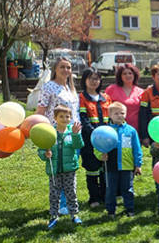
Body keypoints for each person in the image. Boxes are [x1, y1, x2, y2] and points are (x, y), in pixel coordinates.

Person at [39, 105, 83, 230]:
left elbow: (79, 145)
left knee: (71, 192)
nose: (64, 119)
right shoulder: (49, 132)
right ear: (55, 118)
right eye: (61, 116)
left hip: (69, 169)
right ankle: (53, 215)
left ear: (71, 118)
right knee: (54, 194)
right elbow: (41, 149)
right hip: (54, 171)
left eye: (67, 116)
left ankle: (74, 214)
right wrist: (45, 154)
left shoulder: (72, 131)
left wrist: (75, 135)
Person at [98, 102, 143, 218]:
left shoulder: (131, 131)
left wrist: (138, 164)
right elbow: (97, 145)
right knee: (110, 189)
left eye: (122, 113)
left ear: (126, 114)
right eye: (116, 113)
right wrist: (100, 155)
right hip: (110, 165)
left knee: (127, 189)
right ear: (110, 115)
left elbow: (137, 148)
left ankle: (130, 209)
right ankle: (110, 211)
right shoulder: (105, 130)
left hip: (126, 165)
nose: (119, 115)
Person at [78, 67, 110, 208]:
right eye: (90, 78)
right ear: (84, 80)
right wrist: (95, 135)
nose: (94, 81)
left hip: (107, 141)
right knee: (92, 170)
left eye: (96, 78)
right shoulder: (81, 98)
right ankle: (94, 198)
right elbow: (83, 119)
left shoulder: (106, 98)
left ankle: (105, 196)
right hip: (90, 140)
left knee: (105, 169)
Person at [37, 57, 80, 125]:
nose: (65, 70)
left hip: (74, 132)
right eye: (62, 67)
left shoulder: (71, 88)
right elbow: (40, 112)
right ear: (55, 69)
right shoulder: (48, 87)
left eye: (68, 68)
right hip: (57, 131)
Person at [104, 64, 144, 130]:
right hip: (115, 128)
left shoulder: (141, 92)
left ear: (134, 75)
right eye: (124, 74)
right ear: (120, 76)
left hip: (135, 129)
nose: (127, 75)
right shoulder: (111, 89)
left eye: (130, 73)